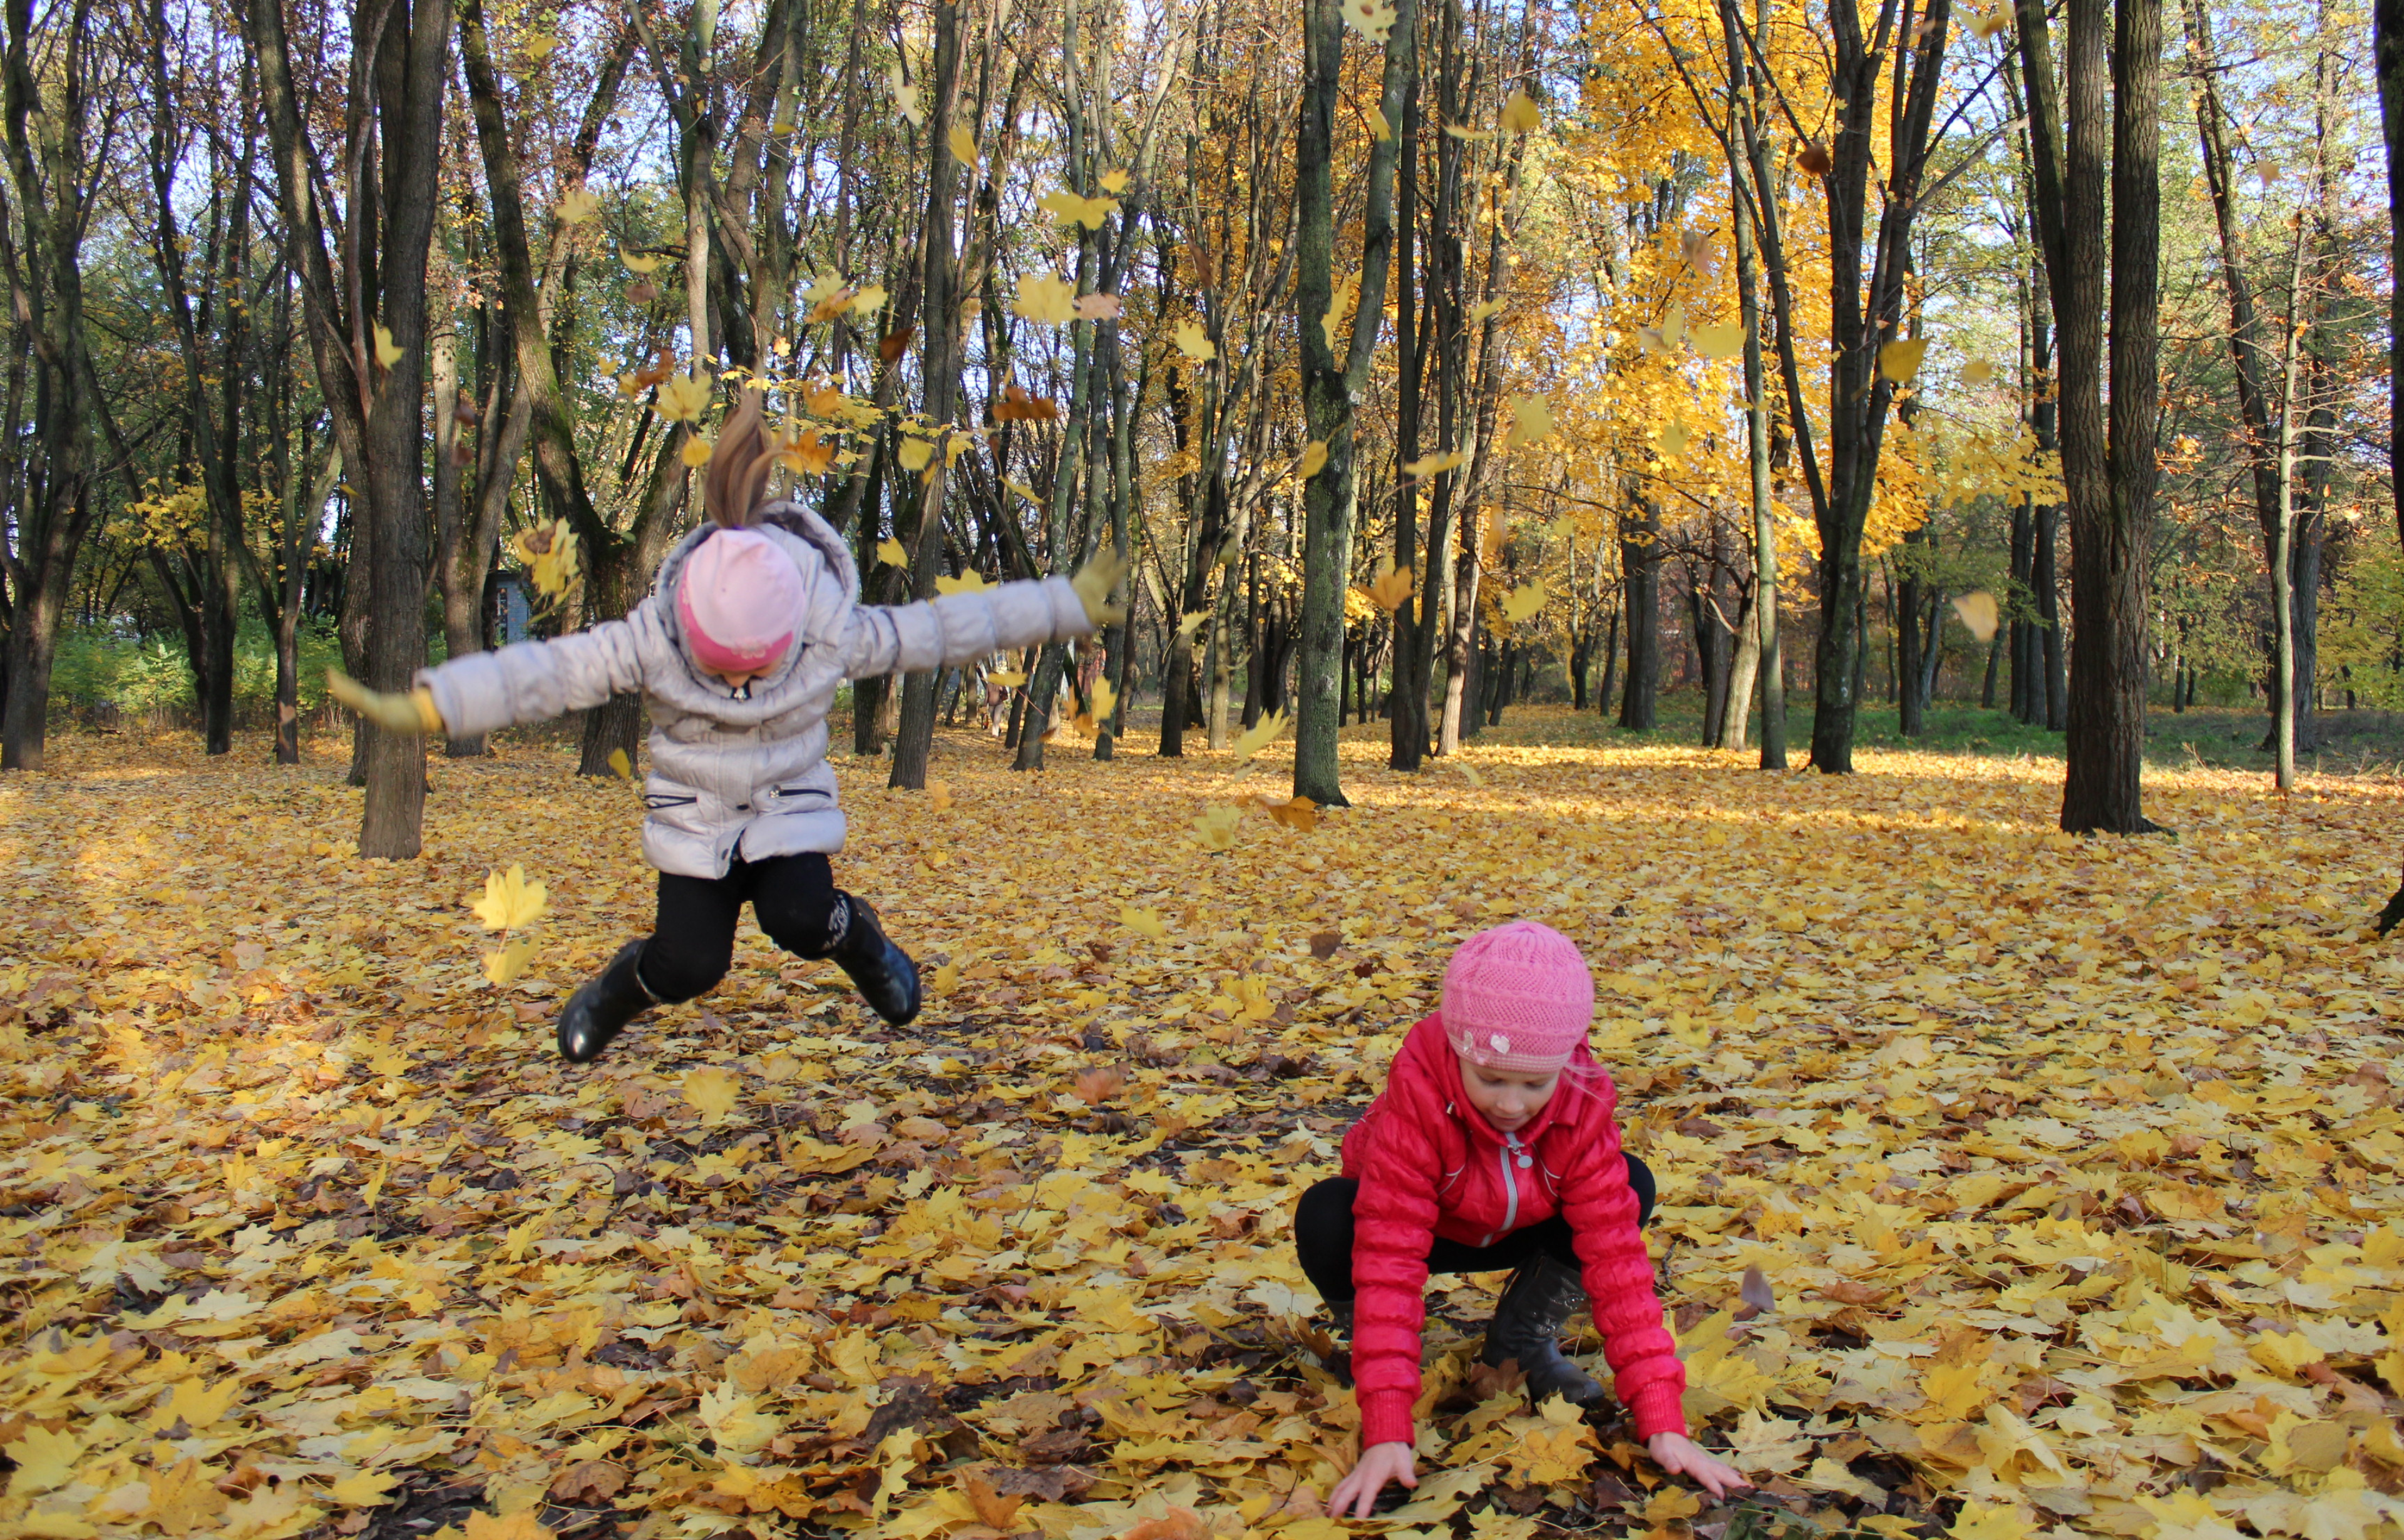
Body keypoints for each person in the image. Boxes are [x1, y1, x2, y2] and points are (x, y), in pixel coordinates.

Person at [328, 396, 1124, 1064]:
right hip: (695, 818)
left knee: (801, 919)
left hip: (787, 808)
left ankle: (867, 947)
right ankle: (616, 991)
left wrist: (1065, 603)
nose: (741, 686)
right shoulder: (656, 633)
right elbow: (545, 672)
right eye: (723, 671)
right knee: (688, 967)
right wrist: (439, 702)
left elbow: (949, 626)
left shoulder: (828, 627)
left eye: (755, 671)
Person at [1295, 921, 1750, 1517]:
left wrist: (1664, 1421)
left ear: (1565, 1063)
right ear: (1459, 1051)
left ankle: (1520, 1343)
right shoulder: (1417, 1110)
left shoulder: (1581, 1110)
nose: (1511, 1105)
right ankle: (1378, 1361)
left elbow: (1618, 1266)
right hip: (1428, 1228)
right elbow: (1388, 1261)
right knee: (1327, 1214)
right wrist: (1386, 1431)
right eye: (1490, 1078)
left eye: (1535, 1083)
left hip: (1527, 1225)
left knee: (1630, 1184)